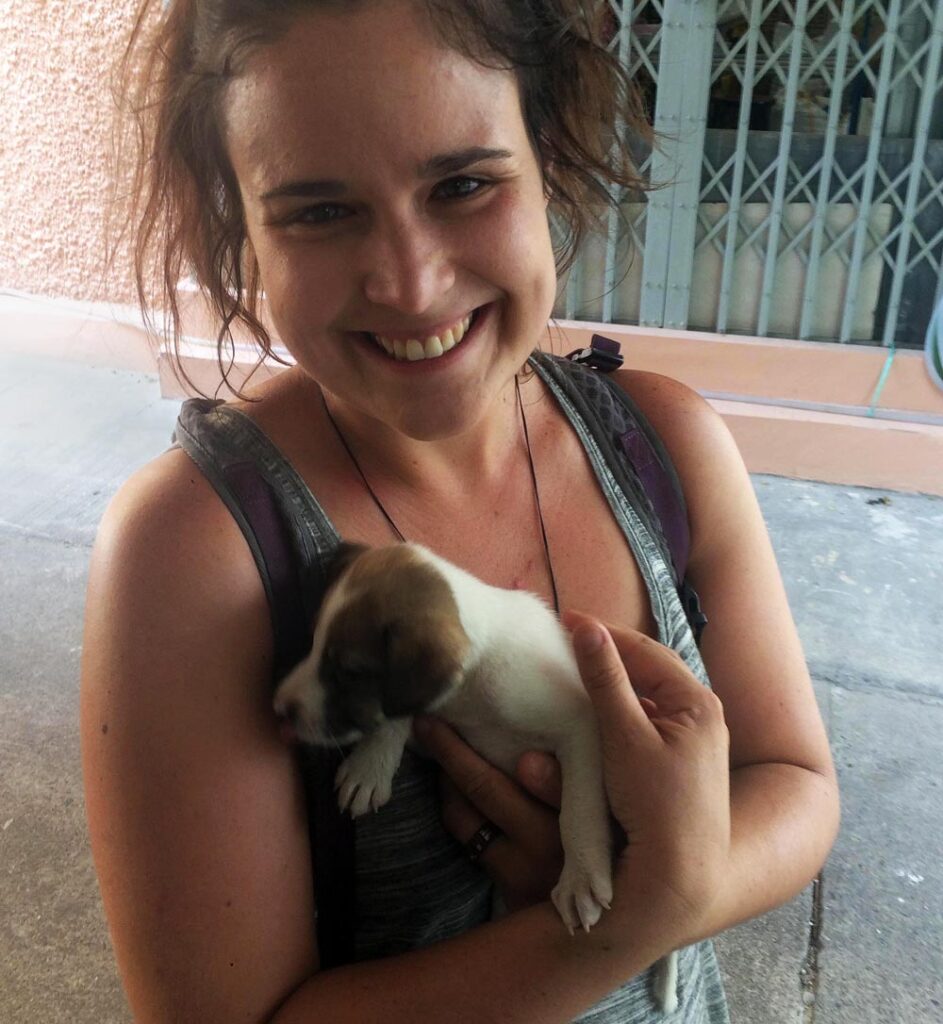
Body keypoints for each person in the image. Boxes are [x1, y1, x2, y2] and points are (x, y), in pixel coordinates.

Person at [80, 1, 840, 1021]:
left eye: (463, 184)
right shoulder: (197, 556)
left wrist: (678, 882)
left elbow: (794, 779)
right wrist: (625, 918)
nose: (410, 282)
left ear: (549, 157)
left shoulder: (667, 447)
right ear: (241, 224)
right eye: (318, 210)